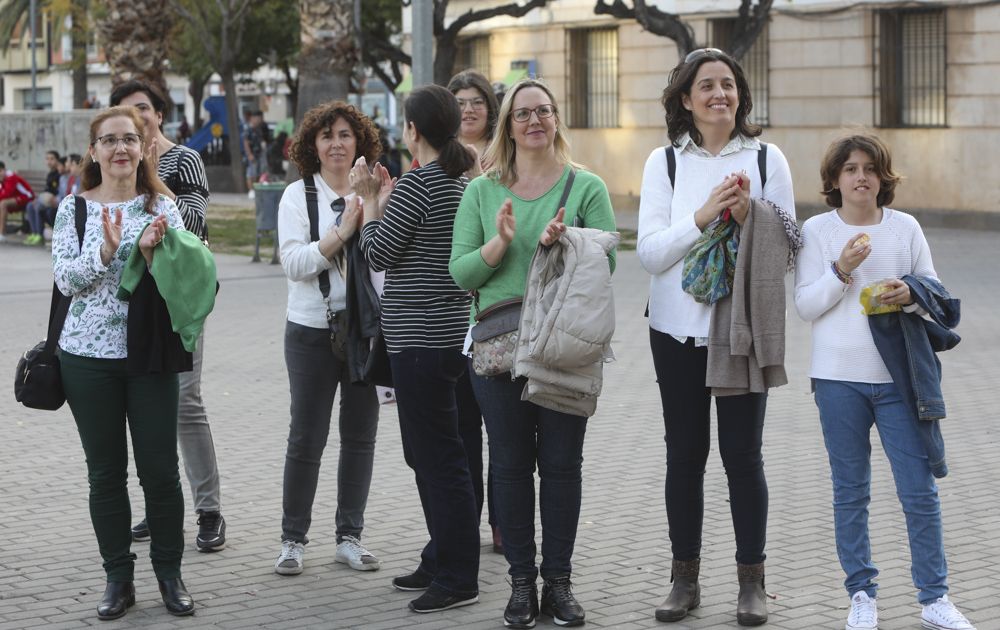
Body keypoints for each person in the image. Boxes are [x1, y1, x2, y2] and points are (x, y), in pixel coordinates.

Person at [450, 78, 617, 629]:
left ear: (556, 120)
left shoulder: (585, 186)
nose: (534, 121)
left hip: (565, 347)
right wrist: (499, 243)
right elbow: (462, 273)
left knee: (563, 467)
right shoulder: (481, 191)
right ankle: (522, 584)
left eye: (544, 111)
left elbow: (608, 262)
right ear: (508, 125)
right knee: (512, 466)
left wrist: (567, 243)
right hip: (499, 348)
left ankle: (560, 584)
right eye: (523, 114)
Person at [637, 48, 795, 626]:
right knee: (685, 457)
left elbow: (789, 246)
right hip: (675, 332)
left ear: (740, 95)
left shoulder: (767, 156)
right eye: (706, 86)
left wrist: (751, 213)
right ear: (685, 98)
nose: (719, 95)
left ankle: (751, 582)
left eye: (728, 85)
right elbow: (650, 254)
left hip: (741, 333)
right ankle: (684, 580)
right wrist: (704, 214)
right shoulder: (665, 163)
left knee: (742, 458)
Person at [794, 134, 978, 630]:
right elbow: (807, 305)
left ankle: (934, 597)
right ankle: (861, 594)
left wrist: (909, 294)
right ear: (834, 180)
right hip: (837, 380)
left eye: (870, 168)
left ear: (883, 177)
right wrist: (841, 269)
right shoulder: (817, 230)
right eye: (850, 169)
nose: (861, 177)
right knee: (850, 492)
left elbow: (934, 292)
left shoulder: (906, 228)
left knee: (918, 491)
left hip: (900, 380)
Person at [52, 105, 196, 620]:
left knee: (160, 472)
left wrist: (156, 256)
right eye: (109, 140)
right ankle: (118, 577)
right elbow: (66, 280)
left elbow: (187, 282)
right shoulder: (74, 209)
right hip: (86, 360)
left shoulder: (162, 206)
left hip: (149, 356)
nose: (120, 149)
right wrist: (108, 253)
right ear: (94, 151)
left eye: (130, 139)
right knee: (105, 474)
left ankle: (170, 574)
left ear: (144, 147)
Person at [356, 84, 480, 614]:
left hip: (420, 340)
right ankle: (440, 554)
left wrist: (367, 202)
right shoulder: (461, 182)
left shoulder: (420, 184)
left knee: (438, 457)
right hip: (450, 337)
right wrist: (383, 203)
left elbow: (377, 252)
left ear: (413, 131)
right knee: (430, 452)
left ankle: (458, 574)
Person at [110, 79, 226, 552]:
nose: (134, 120)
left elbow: (195, 225)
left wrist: (155, 182)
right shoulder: (117, 164)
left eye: (142, 109)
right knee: (143, 404)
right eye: (124, 113)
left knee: (185, 402)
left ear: (159, 114)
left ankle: (209, 511)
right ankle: (159, 508)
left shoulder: (182, 160)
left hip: (176, 298)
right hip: (132, 300)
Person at [273, 100, 383, 578]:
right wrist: (342, 231)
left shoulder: (376, 190)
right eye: (327, 136)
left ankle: (349, 537)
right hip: (311, 332)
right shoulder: (298, 196)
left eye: (345, 134)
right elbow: (294, 264)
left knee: (360, 437)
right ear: (311, 146)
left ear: (359, 141)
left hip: (365, 333)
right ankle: (292, 539)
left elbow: (386, 267)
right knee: (307, 437)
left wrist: (373, 208)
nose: (337, 143)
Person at [447, 68, 503, 553]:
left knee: (504, 427)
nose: (468, 109)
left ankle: (503, 524)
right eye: (460, 102)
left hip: (500, 305)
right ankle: (466, 519)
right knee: (464, 427)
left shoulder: (506, 158)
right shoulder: (437, 159)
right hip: (451, 309)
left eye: (476, 101)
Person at [26, 153, 80, 245]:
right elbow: (61, 193)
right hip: (61, 203)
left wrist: (57, 201)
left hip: (69, 206)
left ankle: (57, 237)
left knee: (48, 211)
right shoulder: (64, 177)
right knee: (34, 206)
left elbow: (73, 195)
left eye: (70, 164)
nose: (68, 166)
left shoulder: (76, 178)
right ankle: (38, 233)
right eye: (47, 159)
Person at [0, 160, 35, 242]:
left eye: (0, 171)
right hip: (15, 199)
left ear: (5, 170)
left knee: (3, 204)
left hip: (27, 197)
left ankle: (1, 234)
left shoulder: (11, 177)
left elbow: (7, 194)